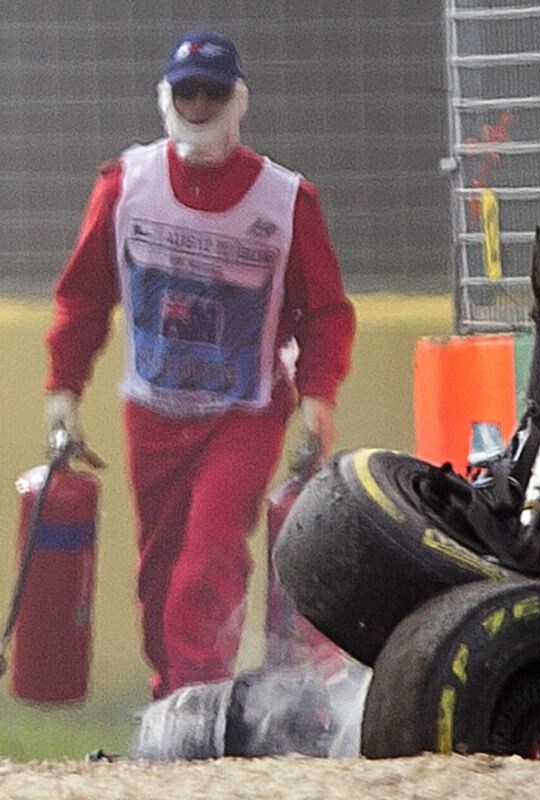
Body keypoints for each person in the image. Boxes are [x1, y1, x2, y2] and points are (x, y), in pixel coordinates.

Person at [42, 30, 356, 698]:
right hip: (151, 413)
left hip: (243, 414)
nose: (202, 102)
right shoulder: (125, 186)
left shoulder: (286, 200)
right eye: (189, 90)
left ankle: (197, 698)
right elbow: (84, 296)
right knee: (157, 580)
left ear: (237, 99)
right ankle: (173, 695)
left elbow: (324, 312)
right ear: (169, 97)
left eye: (215, 90)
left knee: (208, 559)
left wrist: (317, 397)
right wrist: (63, 393)